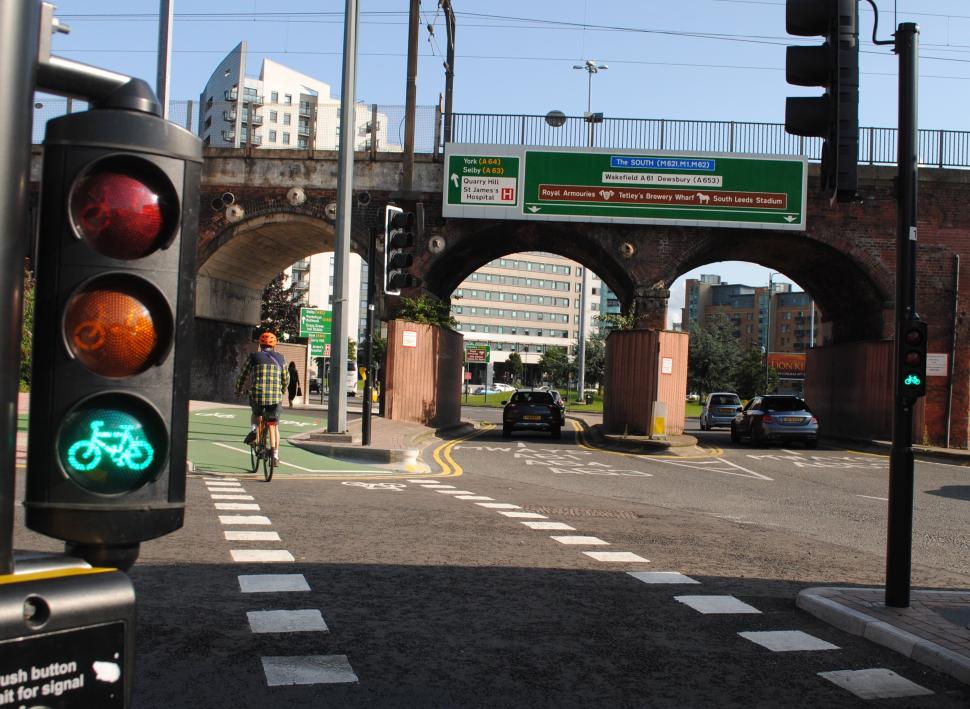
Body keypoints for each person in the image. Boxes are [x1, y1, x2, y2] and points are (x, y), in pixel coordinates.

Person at [235, 332, 288, 462]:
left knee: (256, 414)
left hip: (257, 395)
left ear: (260, 344)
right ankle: (275, 454)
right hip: (275, 399)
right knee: (274, 425)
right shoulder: (281, 358)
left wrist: (238, 390)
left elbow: (243, 375)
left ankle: (254, 430)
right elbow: (286, 378)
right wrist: (283, 390)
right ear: (274, 345)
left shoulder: (254, 357)